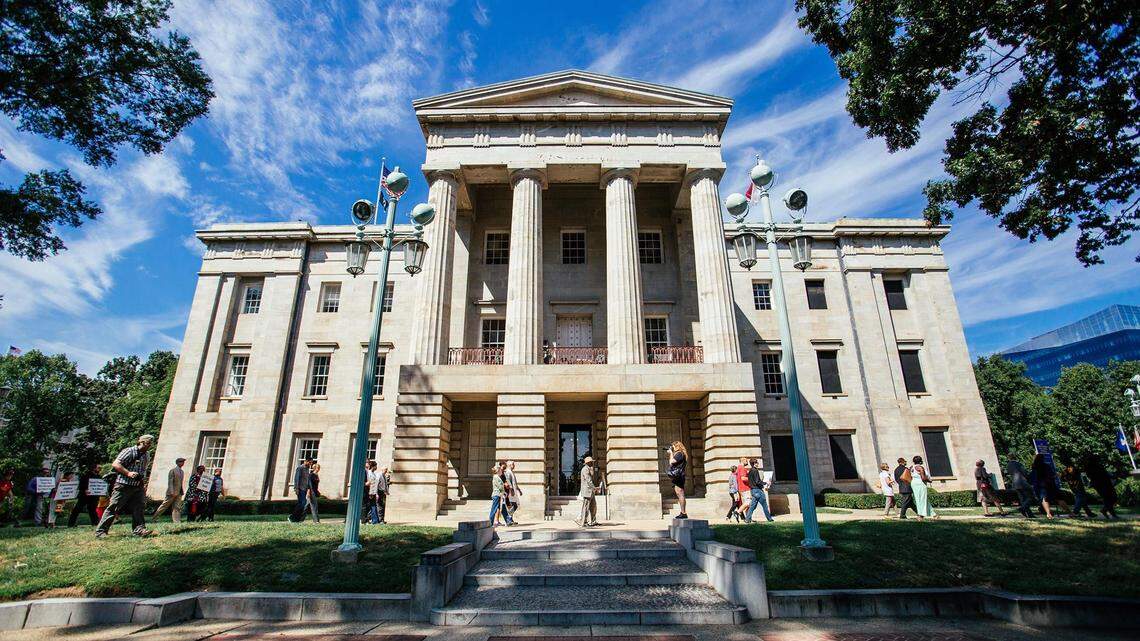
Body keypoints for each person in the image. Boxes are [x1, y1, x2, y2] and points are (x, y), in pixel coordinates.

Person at [94, 434, 155, 538]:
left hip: (138, 485)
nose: (149, 445)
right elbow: (116, 464)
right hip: (123, 484)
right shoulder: (129, 451)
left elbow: (144, 470)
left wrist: (143, 483)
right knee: (114, 507)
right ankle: (101, 531)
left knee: (139, 507)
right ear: (141, 442)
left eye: (151, 443)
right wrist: (128, 473)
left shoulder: (147, 455)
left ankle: (139, 529)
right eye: (148, 443)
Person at [153, 458, 186, 523]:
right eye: (181, 462)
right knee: (164, 505)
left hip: (179, 492)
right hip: (172, 492)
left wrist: (181, 491)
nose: (182, 463)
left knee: (177, 507)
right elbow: (170, 482)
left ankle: (176, 521)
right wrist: (171, 491)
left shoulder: (182, 472)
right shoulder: (173, 470)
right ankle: (155, 518)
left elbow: (180, 483)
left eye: (183, 462)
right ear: (177, 462)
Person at [1030, 453, 1060, 518]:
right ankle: (1049, 512)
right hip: (1047, 483)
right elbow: (1051, 475)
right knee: (1052, 497)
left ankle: (1048, 513)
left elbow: (1033, 476)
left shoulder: (1034, 466)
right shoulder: (1046, 466)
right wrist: (1056, 476)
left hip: (1038, 484)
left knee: (1043, 498)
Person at [744, 458, 774, 523]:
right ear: (754, 464)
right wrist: (765, 483)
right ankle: (769, 519)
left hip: (753, 491)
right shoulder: (755, 470)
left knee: (752, 506)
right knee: (765, 506)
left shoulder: (750, 471)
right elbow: (758, 481)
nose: (758, 464)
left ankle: (747, 519)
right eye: (757, 463)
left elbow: (752, 482)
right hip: (758, 491)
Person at [667, 441, 688, 519]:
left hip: (679, 476)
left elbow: (671, 462)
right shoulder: (681, 453)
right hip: (679, 476)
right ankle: (683, 512)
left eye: (673, 446)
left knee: (680, 494)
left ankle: (683, 513)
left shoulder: (679, 454)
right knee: (679, 493)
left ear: (677, 446)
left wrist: (671, 453)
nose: (672, 448)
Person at [577, 456, 598, 527]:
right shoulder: (585, 469)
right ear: (588, 463)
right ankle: (583, 523)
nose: (593, 463)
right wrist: (594, 488)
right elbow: (588, 480)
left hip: (590, 491)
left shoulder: (589, 468)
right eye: (592, 462)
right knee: (586, 507)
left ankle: (593, 521)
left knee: (593, 506)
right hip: (587, 491)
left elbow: (591, 475)